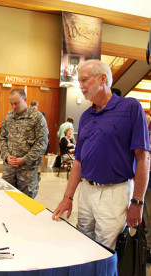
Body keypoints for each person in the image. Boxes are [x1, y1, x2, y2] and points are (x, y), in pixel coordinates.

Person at [52, 59, 150, 250]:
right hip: (87, 191)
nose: (80, 86)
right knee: (84, 243)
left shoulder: (130, 107)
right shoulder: (86, 115)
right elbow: (79, 161)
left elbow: (143, 158)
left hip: (114, 193)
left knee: (105, 250)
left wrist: (137, 202)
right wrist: (68, 197)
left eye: (84, 80)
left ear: (102, 79)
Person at [0, 88, 48, 198]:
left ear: (25, 99)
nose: (13, 106)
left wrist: (24, 160)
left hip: (27, 172)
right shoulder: (9, 116)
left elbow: (42, 143)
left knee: (26, 203)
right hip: (9, 170)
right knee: (6, 200)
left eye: (16, 103)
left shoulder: (37, 117)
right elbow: (2, 138)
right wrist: (6, 156)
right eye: (11, 103)